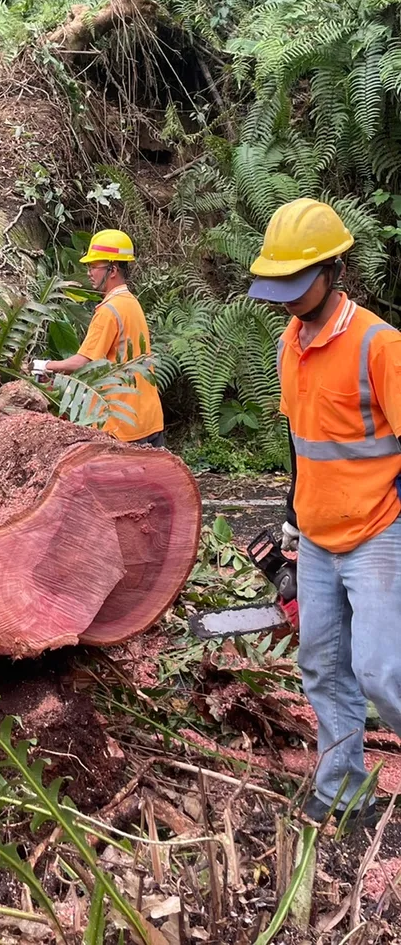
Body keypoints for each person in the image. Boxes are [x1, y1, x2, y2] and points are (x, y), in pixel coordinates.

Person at [248, 197, 401, 827]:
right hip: (315, 536)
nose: (286, 298)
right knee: (322, 663)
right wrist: (292, 518)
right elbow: (301, 444)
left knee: (382, 671)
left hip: (377, 530)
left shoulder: (379, 345)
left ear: (333, 270)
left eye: (297, 281)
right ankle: (343, 788)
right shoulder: (289, 345)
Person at [33, 228, 165, 446]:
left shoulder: (109, 310)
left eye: (93, 266)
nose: (88, 272)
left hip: (120, 423)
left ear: (112, 270)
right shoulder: (131, 302)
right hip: (148, 417)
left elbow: (83, 362)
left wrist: (44, 366)